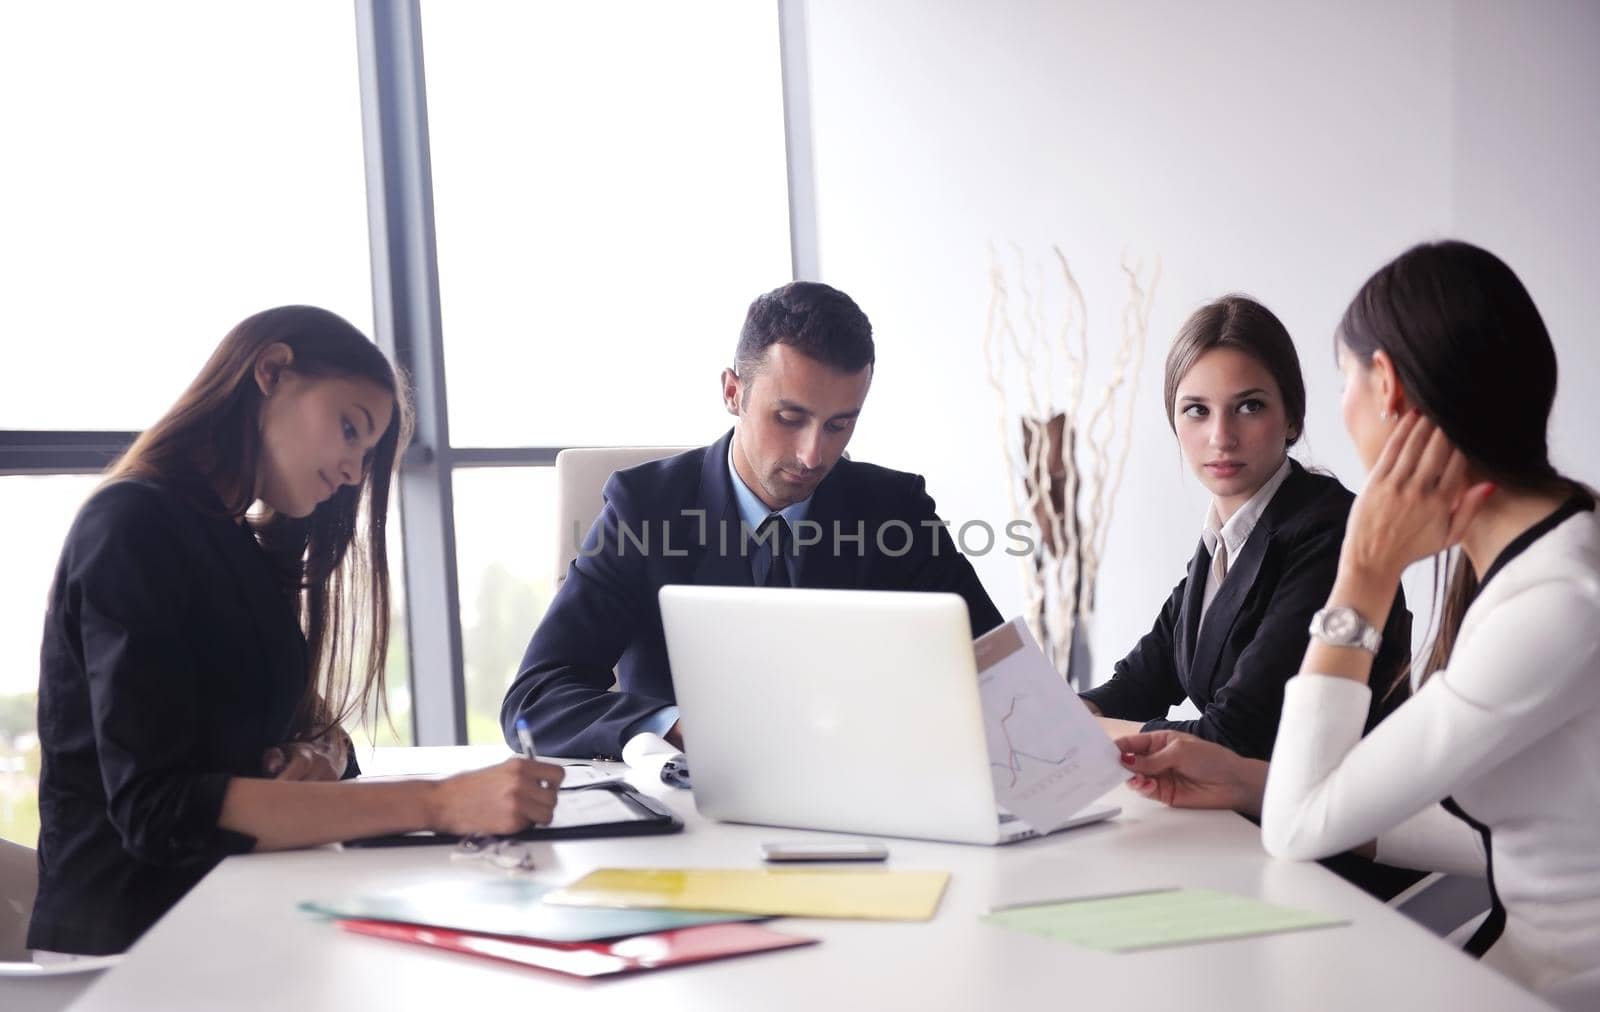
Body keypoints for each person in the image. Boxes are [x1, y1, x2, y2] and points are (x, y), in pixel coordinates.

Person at [1118, 241, 1600, 1004]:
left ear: (1387, 389)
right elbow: (1504, 832)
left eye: (1345, 382)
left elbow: (1300, 826)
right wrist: (1249, 782)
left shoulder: (1557, 601)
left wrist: (1365, 575)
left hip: (1552, 1011)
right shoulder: (1548, 558)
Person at [30, 306, 565, 957]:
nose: (351, 471)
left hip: (231, 917)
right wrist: (440, 803)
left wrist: (320, 753)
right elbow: (160, 810)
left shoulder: (242, 549)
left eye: (365, 455)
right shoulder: (131, 526)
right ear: (272, 371)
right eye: (349, 429)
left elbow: (303, 734)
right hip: (130, 952)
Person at [503, 281, 1003, 758]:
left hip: (869, 800)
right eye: (789, 418)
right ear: (732, 392)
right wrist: (672, 726)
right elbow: (536, 700)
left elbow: (999, 674)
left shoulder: (897, 510)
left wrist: (1081, 707)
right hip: (694, 812)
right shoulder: (644, 508)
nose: (813, 455)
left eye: (839, 425)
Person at [1080, 295, 1411, 761]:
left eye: (1249, 406)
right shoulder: (1223, 540)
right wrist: (1067, 712)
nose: (1221, 437)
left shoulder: (1330, 532)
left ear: (1292, 417)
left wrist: (1085, 731)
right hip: (1240, 816)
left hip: (1331, 823)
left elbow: (1237, 736)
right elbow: (1140, 682)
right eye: (1197, 410)